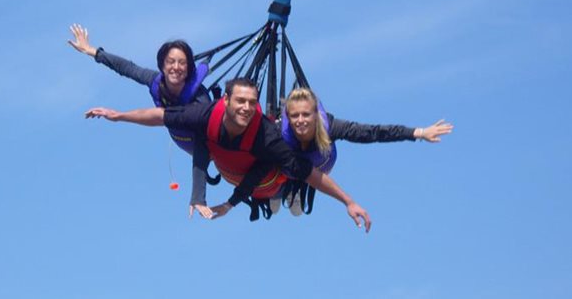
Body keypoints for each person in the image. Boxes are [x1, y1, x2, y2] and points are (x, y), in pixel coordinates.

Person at [85, 78, 372, 232]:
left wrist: (349, 201)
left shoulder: (266, 136)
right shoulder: (204, 113)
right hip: (230, 171)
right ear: (226, 100)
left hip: (265, 178)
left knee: (283, 175)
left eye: (252, 102)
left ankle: (282, 198)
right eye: (241, 101)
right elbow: (160, 115)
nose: (247, 107)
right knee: (202, 139)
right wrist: (119, 115)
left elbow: (310, 174)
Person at [68, 24, 216, 216]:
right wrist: (93, 51)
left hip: (208, 143)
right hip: (181, 139)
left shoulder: (200, 100)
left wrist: (198, 197)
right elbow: (127, 68)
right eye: (171, 62)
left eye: (181, 63)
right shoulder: (155, 81)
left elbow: (202, 149)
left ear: (189, 69)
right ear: (162, 65)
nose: (176, 67)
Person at [279, 87, 454, 215]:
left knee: (314, 158)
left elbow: (373, 132)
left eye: (306, 115)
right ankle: (278, 190)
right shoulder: (279, 133)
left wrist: (419, 133)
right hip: (290, 166)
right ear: (288, 116)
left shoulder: (331, 127)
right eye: (295, 116)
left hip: (321, 162)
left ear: (316, 115)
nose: (300, 120)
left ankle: (299, 190)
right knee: (273, 154)